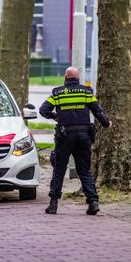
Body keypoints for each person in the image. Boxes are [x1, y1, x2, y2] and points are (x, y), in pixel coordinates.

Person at [40, 67, 112, 215]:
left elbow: (43, 110)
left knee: (59, 169)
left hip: (65, 136)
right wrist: (106, 123)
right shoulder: (86, 92)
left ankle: (53, 204)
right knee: (84, 170)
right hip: (84, 136)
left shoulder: (58, 92)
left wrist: (56, 117)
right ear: (78, 78)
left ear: (65, 78)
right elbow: (98, 111)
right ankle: (93, 202)